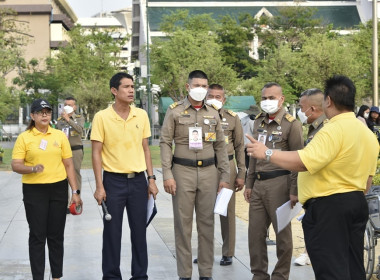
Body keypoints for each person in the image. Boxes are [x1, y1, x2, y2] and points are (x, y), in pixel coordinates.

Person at [246, 75, 379, 280]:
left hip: (329, 208)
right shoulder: (367, 134)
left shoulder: (331, 130)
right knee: (352, 268)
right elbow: (368, 182)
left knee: (330, 270)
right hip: (355, 203)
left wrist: (266, 153)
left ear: (328, 101)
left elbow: (303, 161)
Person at [160, 70, 230, 280]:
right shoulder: (174, 111)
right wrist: (167, 174)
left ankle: (206, 273)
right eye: (197, 85)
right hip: (182, 172)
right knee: (183, 225)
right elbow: (165, 142)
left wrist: (225, 177)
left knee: (207, 224)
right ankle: (185, 274)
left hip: (209, 172)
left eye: (205, 86)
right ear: (188, 86)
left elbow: (220, 146)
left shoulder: (213, 112)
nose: (201, 89)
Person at [91, 72, 159, 280]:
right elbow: (96, 153)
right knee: (112, 234)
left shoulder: (141, 115)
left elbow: (146, 149)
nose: (131, 90)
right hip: (113, 182)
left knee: (140, 233)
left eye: (132, 87)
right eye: (126, 87)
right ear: (114, 90)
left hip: (139, 182)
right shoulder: (102, 117)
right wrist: (99, 186)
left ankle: (140, 276)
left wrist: (152, 179)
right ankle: (111, 276)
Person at [11, 98, 82, 280]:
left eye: (48, 112)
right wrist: (32, 168)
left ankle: (56, 276)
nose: (44, 115)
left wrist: (75, 192)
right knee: (37, 235)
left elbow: (68, 166)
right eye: (40, 112)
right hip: (34, 191)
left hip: (58, 189)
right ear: (32, 115)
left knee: (56, 235)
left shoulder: (59, 136)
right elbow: (16, 165)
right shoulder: (24, 138)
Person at [244, 82, 304, 280]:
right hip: (259, 184)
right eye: (264, 98)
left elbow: (298, 160)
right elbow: (254, 154)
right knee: (255, 234)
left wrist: (294, 189)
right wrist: (249, 182)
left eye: (271, 98)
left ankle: (280, 275)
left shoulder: (291, 124)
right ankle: (259, 274)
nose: (267, 102)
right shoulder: (258, 122)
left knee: (283, 236)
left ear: (281, 99)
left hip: (281, 183)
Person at [202, 83, 245, 266]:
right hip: (205, 165)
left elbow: (240, 147)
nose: (214, 99)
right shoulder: (198, 116)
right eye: (210, 96)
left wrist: (242, 172)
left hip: (227, 165)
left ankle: (228, 252)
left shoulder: (232, 118)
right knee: (204, 210)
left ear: (224, 99)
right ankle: (205, 252)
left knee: (226, 210)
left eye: (217, 97)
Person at [294, 88, 327, 266]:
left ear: (312, 109)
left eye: (301, 107)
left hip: (323, 197)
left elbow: (308, 161)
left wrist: (269, 154)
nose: (300, 111)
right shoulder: (314, 127)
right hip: (314, 196)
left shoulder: (325, 129)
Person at [56, 97, 85, 212]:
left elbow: (80, 130)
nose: (67, 106)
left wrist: (69, 119)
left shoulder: (79, 118)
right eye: (66, 104)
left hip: (76, 150)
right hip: (63, 151)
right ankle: (66, 204)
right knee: (64, 176)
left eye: (70, 105)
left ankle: (76, 201)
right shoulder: (60, 119)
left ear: (74, 107)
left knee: (75, 175)